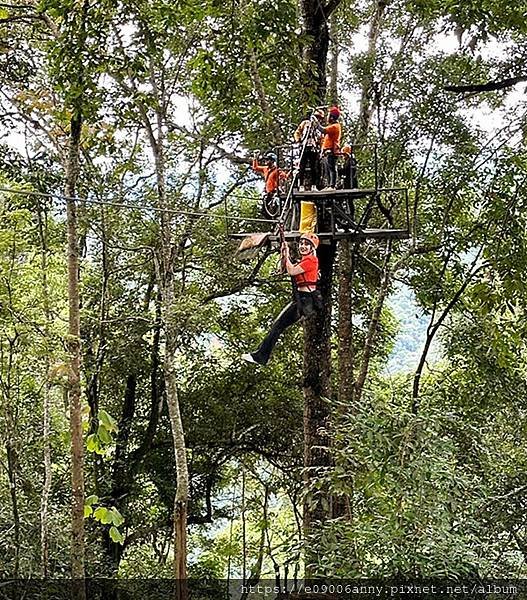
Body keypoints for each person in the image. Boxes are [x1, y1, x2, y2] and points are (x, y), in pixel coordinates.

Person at [242, 232, 320, 366]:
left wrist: (287, 251)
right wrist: (285, 253)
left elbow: (291, 271)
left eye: (307, 245)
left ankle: (261, 356)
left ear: (312, 248)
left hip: (304, 300)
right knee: (277, 326)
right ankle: (261, 355)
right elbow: (289, 268)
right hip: (300, 300)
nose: (303, 246)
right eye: (301, 243)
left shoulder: (311, 260)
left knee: (277, 326)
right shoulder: (305, 260)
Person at [293, 109, 324, 191]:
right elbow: (297, 132)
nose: (318, 119)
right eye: (317, 117)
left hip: (313, 148)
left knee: (314, 167)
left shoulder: (319, 127)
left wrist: (320, 148)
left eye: (320, 118)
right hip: (304, 146)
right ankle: (301, 185)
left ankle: (314, 185)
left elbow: (321, 139)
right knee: (302, 166)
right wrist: (298, 140)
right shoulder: (305, 123)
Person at [252, 151, 288, 218]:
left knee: (275, 210)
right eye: (266, 159)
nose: (266, 161)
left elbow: (285, 176)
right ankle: (272, 223)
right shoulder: (265, 169)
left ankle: (276, 220)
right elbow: (255, 168)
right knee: (264, 211)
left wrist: (290, 173)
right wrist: (255, 158)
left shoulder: (277, 170)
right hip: (268, 193)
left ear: (272, 161)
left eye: (268, 159)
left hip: (274, 192)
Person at [315, 106, 342, 190]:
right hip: (327, 151)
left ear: (332, 117)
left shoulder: (335, 126)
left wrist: (316, 122)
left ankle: (332, 185)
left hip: (331, 151)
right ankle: (329, 185)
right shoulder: (332, 126)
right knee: (327, 169)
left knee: (332, 168)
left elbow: (322, 130)